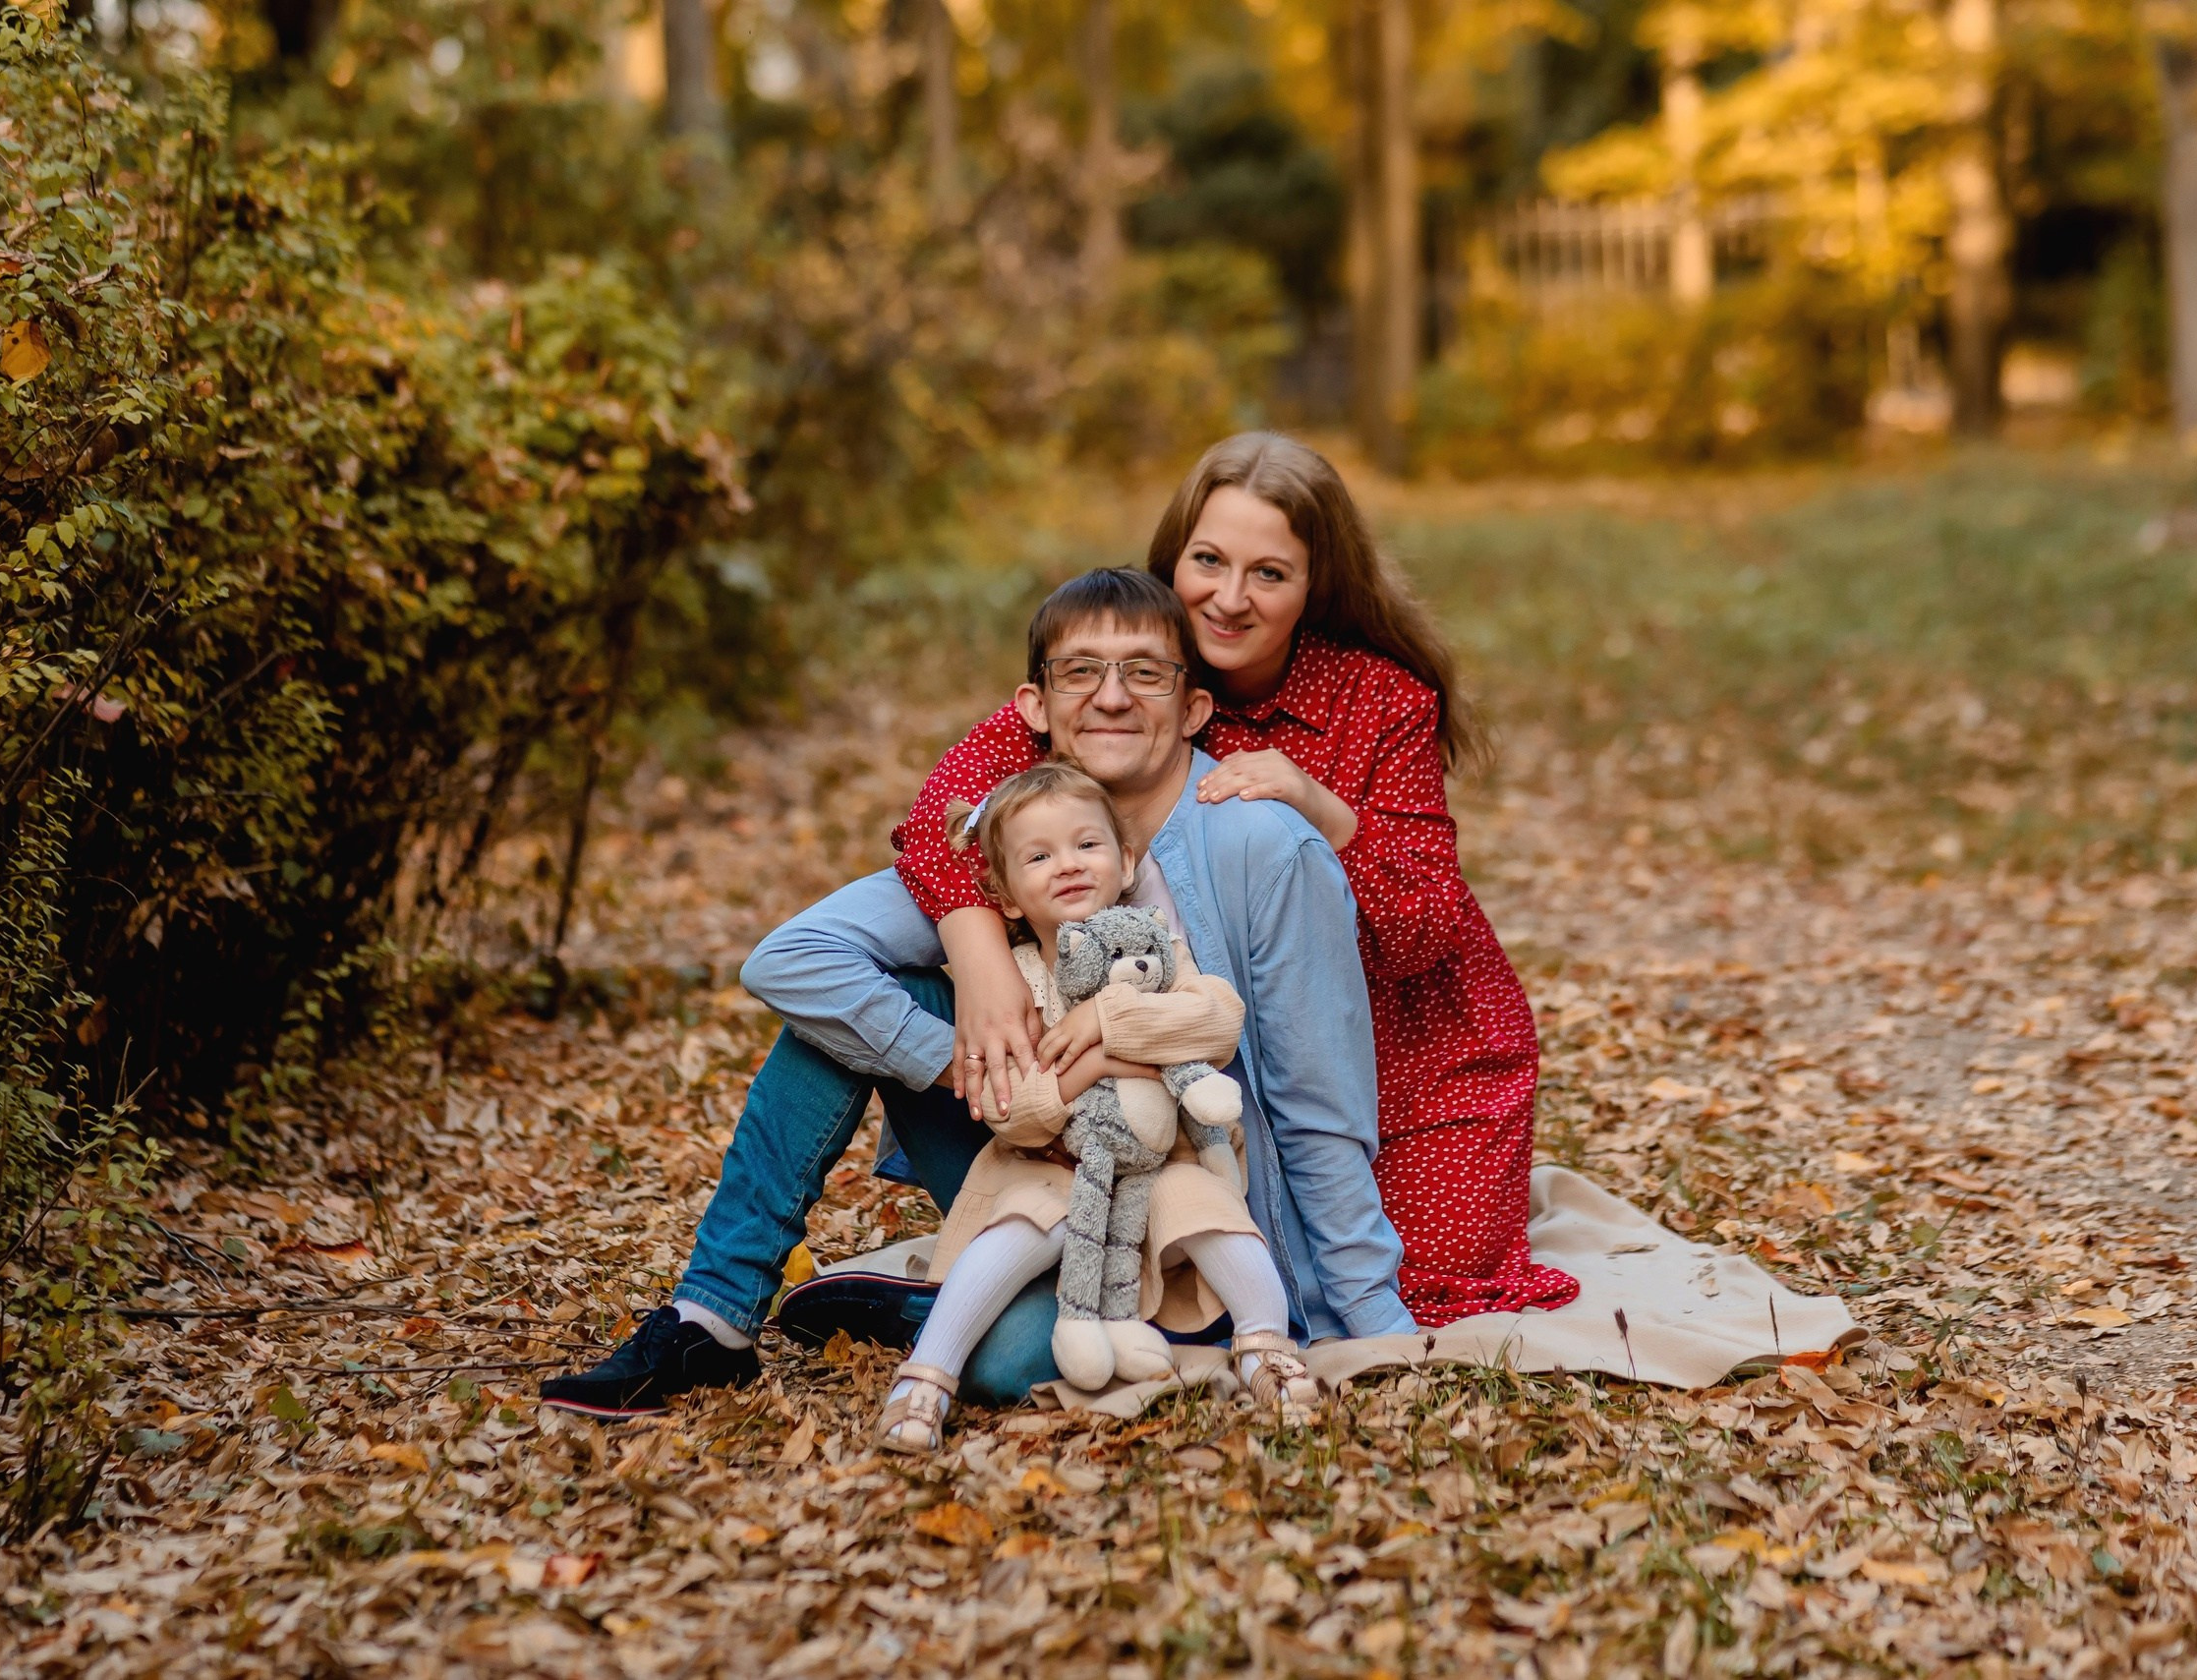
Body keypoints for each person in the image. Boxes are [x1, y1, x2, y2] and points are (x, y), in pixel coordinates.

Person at [539, 567, 1415, 1419]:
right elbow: (790, 960)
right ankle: (712, 1318)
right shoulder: (1006, 847)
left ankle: (899, 1295)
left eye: (1143, 673)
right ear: (1034, 706)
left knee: (1006, 1366)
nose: (1111, 697)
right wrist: (991, 1034)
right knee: (839, 1020)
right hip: (1035, 1158)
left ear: (1192, 705)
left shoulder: (1252, 839)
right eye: (1081, 673)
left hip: (1184, 1213)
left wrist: (1365, 1317)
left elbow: (1313, 1093)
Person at [896, 433, 1578, 1328]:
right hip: (1213, 1035)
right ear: (1174, 558)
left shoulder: (1378, 699)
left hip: (1413, 1040)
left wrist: (1318, 802)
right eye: (1208, 561)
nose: (1228, 597)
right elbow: (937, 815)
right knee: (1224, 1239)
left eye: (1269, 573)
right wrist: (983, 961)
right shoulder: (1125, 669)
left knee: (1416, 1277)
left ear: (1314, 586)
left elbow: (1423, 929)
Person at [874, 764, 1315, 1454]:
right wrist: (1091, 1073)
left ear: (1127, 861)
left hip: (1162, 1159)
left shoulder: (1160, 951)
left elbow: (1217, 1020)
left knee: (1206, 1207)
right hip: (1051, 1163)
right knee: (1022, 1224)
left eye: (1087, 845)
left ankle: (1266, 1343)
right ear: (1006, 893)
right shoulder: (1012, 982)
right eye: (1039, 855)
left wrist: (1108, 1028)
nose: (1068, 865)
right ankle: (927, 1376)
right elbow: (1010, 1109)